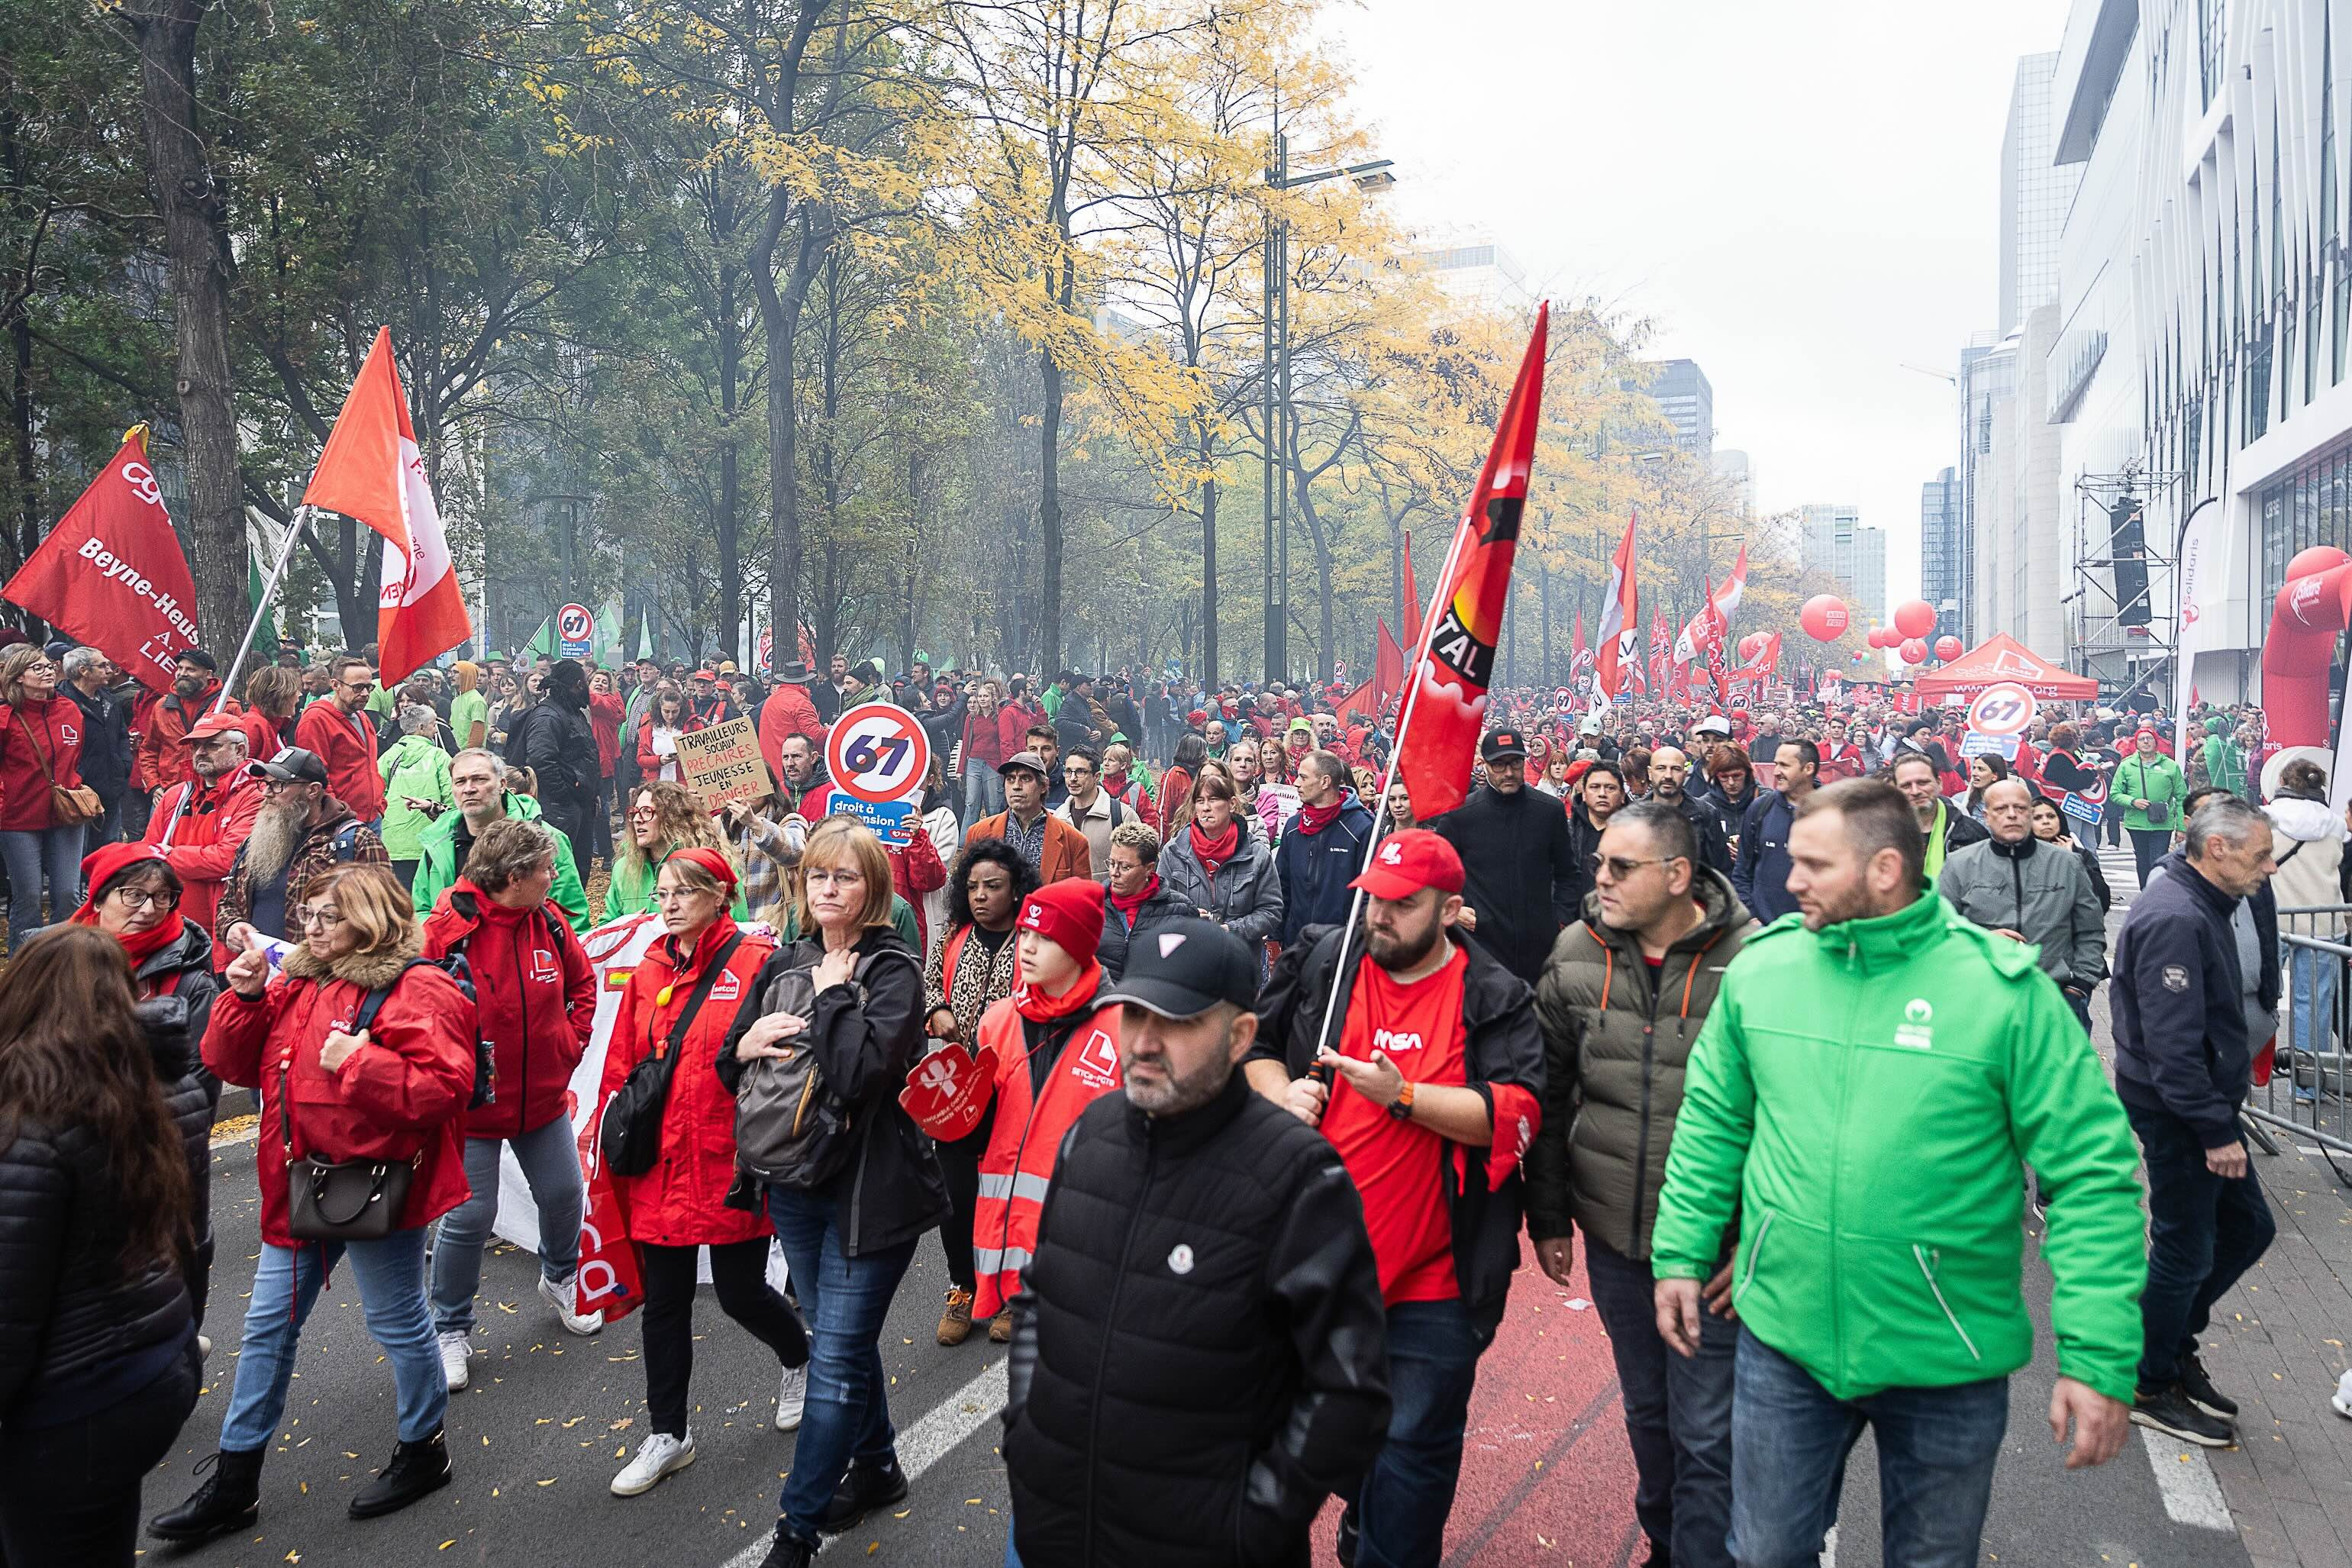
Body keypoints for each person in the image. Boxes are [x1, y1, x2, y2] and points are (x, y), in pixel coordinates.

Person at [1650, 779, 2144, 1566]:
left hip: (1945, 1355)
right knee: (1765, 1553)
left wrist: (2097, 1354)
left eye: (1814, 863)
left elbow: (2093, 1177)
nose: (1790, 880)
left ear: (1885, 868)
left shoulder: (2004, 993)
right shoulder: (1761, 972)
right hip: (1785, 1340)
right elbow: (1713, 1124)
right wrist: (1680, 1251)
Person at [1001, 917, 1392, 1568]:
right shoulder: (1090, 1133)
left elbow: (1349, 1391)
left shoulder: (1298, 1178)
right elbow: (1040, 1298)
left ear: (1240, 1037)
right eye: (1131, 1017)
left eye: (1176, 1023)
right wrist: (1026, 1434)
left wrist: (1250, 1524)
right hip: (1054, 1528)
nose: (1144, 1044)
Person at [152, 863, 477, 1543]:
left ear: (372, 918)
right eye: (309, 914)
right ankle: (235, 1482)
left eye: (331, 916)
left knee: (398, 1323)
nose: (311, 927)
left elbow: (445, 1089)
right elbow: (233, 1066)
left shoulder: (419, 986)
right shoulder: (298, 979)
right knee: (267, 1331)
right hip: (296, 1185)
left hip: (375, 1187)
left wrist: (358, 1062)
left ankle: (424, 1449)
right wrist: (240, 999)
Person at [1248, 828, 1544, 1568]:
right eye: (1373, 898)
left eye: (1402, 904)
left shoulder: (1494, 994)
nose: (1380, 915)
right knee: (1306, 1448)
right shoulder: (1329, 960)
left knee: (1410, 1458)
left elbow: (1516, 1110)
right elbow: (1250, 1048)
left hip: (1433, 1285)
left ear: (1449, 910)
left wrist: (1403, 1095)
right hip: (1311, 1271)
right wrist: (1282, 1091)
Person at [1530, 800, 1754, 1568]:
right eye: (1598, 862)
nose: (1601, 879)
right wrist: (1550, 1215)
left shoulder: (1753, 960)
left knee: (1708, 1428)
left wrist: (1755, 1238)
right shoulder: (1575, 948)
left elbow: (1791, 1117)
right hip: (1617, 1238)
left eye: (1620, 866)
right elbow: (1551, 1090)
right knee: (1650, 1413)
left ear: (1678, 873)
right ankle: (1665, 1538)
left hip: (1720, 1250)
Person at [722, 821, 947, 1566]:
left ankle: (796, 1529)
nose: (828, 888)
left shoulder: (893, 969)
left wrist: (831, 998)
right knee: (842, 1348)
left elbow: (857, 1077)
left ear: (873, 886)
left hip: (871, 1194)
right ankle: (878, 1464)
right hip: (794, 1185)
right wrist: (747, 1044)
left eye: (846, 877)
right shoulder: (788, 956)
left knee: (837, 1357)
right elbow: (732, 1063)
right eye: (819, 875)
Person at [597, 847, 809, 1497]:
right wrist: (613, 1135)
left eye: (684, 892)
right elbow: (628, 1064)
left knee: (743, 1292)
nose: (668, 903)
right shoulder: (648, 967)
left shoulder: (756, 962)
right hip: (661, 1165)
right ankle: (668, 1433)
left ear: (721, 895)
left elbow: (782, 1061)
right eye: (661, 892)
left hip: (728, 1159)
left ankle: (800, 1357)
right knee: (664, 1303)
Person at [0, 924, 209, 1566]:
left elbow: (10, 1308)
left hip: (69, 1397)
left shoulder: (29, 1125)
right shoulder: (170, 1089)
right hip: (153, 1361)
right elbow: (190, 1238)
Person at [2109, 794, 2280, 1447]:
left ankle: (2171, 1342)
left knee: (2247, 1230)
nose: (2269, 868)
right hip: (2179, 1110)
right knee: (2186, 1248)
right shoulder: (2175, 915)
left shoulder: (2204, 903)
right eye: (2259, 855)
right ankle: (2145, 1380)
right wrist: (2213, 1130)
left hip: (2198, 1105)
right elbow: (2171, 1047)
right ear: (2218, 850)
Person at [421, 818, 602, 1392]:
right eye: (546, 869)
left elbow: (583, 985)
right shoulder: (448, 929)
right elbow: (416, 1006)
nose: (555, 877)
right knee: (470, 1216)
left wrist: (567, 1046)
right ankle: (449, 1327)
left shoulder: (547, 919)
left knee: (563, 1194)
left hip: (541, 1099)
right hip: (473, 1107)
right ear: (514, 877)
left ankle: (561, 1278)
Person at [952, 880, 1121, 1345]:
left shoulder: (1122, 1028)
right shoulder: (998, 1019)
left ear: (1079, 947)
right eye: (1026, 932)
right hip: (1007, 1237)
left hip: (1082, 1244)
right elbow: (981, 1133)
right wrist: (953, 1124)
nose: (1027, 946)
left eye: (1045, 938)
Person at [922, 839, 1037, 1345]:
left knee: (1011, 1195)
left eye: (993, 886)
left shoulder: (1034, 939)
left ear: (1015, 891)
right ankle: (961, 1288)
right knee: (957, 1196)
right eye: (972, 887)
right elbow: (928, 985)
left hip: (1017, 1090)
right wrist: (937, 1010)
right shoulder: (953, 935)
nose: (981, 895)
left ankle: (1012, 1295)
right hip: (957, 1088)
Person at [1939, 776, 2108, 1031]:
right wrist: (1983, 940)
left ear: (2030, 814)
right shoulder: (1960, 864)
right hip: (1984, 997)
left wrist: (2079, 985)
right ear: (1986, 816)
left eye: (2020, 808)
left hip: (2055, 996)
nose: (2012, 815)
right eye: (2001, 809)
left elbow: (2090, 929)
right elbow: (1941, 930)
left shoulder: (2067, 864)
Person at [1427, 728, 1581, 986]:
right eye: (1499, 764)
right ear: (1484, 765)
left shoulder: (1549, 811)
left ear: (1524, 761)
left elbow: (1569, 874)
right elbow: (1434, 875)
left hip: (1540, 949)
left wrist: (1560, 920)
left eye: (1515, 763)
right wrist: (1453, 910)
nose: (1508, 772)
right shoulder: (1461, 817)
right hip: (1483, 949)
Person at [216, 747, 392, 950]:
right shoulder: (255, 841)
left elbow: (383, 916)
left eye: (278, 785)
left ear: (312, 790)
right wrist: (231, 925)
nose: (267, 793)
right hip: (260, 974)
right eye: (265, 784)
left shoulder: (356, 841)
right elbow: (228, 902)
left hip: (325, 976)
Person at [409, 747, 591, 933]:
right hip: (451, 955)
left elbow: (572, 920)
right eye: (460, 782)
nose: (469, 789)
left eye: (480, 779)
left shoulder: (546, 839)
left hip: (524, 956)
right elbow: (420, 910)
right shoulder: (438, 841)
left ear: (502, 785)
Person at [0, 642, 95, 950]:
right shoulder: (6, 717)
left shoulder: (69, 709)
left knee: (68, 893)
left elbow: (75, 757)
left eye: (48, 666)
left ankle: (62, 964)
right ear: (17, 678)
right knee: (27, 895)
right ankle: (24, 970)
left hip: (66, 815)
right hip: (18, 818)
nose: (47, 672)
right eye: (37, 668)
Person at [143, 711, 264, 937]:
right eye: (196, 746)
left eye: (212, 745)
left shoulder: (256, 794)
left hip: (222, 931)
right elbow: (147, 853)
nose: (200, 752)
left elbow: (230, 859)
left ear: (240, 750)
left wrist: (169, 857)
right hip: (168, 923)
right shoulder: (176, 795)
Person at [2263, 757, 2344, 1074]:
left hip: (2275, 919)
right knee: (2315, 1005)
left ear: (2281, 780)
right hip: (2325, 920)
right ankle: (2309, 1081)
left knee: (2260, 998)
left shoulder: (2264, 819)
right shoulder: (2335, 823)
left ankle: (2253, 1072)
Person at [1157, 764, 1283, 965]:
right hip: (1187, 965)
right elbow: (1158, 907)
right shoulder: (1174, 852)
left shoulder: (1255, 853)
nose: (1206, 807)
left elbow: (1271, 911)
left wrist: (1232, 930)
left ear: (1231, 804)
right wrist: (1186, 918)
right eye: (1200, 801)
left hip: (1238, 965)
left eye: (1213, 799)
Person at [1276, 747, 1378, 947]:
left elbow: (1370, 894)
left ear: (1325, 782)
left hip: (1340, 948)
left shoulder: (1361, 827)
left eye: (1303, 777)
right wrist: (1277, 936)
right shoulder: (1293, 827)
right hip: (1296, 945)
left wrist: (1356, 940)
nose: (1296, 783)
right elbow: (1282, 887)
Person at [607, 779, 731, 920]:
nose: (637, 819)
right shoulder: (623, 868)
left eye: (647, 811)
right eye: (634, 812)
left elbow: (737, 929)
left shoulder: (712, 866)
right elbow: (604, 930)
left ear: (673, 817)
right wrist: (625, 927)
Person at [521, 659, 602, 866]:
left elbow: (585, 756)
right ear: (577, 685)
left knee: (579, 868)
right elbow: (541, 762)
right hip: (560, 810)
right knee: (561, 870)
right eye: (585, 683)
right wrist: (565, 800)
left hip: (579, 804)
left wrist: (591, 794)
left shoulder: (572, 712)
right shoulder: (548, 716)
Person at [968, 751, 1092, 883]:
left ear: (1043, 786)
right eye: (1010, 779)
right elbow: (967, 890)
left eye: (1025, 779)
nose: (1016, 786)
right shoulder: (978, 833)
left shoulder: (1073, 841)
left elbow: (1081, 898)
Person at [1731, 740, 1818, 923]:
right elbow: (1742, 870)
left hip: (1816, 929)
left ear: (1808, 768)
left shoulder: (1834, 813)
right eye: (1776, 764)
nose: (1776, 771)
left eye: (1785, 765)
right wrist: (1751, 915)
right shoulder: (1760, 809)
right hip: (1765, 928)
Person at [293, 656, 386, 826]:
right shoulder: (316, 720)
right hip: (339, 822)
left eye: (368, 687)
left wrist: (379, 804)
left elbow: (369, 764)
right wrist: (335, 814)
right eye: (358, 688)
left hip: (371, 817)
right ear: (335, 685)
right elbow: (315, 775)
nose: (365, 694)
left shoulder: (362, 716)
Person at [1096, 818, 1191, 979]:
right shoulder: (1093, 905)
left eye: (1125, 867)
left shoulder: (1180, 911)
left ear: (1149, 869)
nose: (1114, 873)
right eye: (1111, 863)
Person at [62, 645, 134, 853]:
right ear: (84, 671)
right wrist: (78, 776)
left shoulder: (108, 699)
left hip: (112, 786)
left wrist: (124, 764)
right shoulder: (62, 702)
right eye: (102, 666)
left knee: (109, 847)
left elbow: (121, 734)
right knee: (79, 851)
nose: (109, 670)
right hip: (79, 791)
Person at [133, 648, 227, 802]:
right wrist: (153, 785)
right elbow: (149, 749)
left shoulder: (226, 707)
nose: (183, 673)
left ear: (208, 675)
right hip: (168, 792)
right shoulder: (162, 706)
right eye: (180, 668)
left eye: (191, 669)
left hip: (212, 793)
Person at [378, 702, 455, 890]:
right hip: (431, 841)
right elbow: (452, 798)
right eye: (434, 724)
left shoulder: (389, 756)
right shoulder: (439, 757)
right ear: (421, 728)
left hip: (393, 841)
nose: (436, 730)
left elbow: (377, 791)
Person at [1889, 750, 1989, 882]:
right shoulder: (1883, 836)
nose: (1915, 791)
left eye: (1923, 783)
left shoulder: (1970, 834)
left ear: (1939, 783)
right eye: (1906, 785)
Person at [2116, 724, 2189, 886]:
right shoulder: (2126, 766)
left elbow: (2182, 797)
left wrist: (2182, 827)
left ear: (2156, 742)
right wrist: (2132, 801)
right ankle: (2145, 894)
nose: (2146, 742)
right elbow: (2115, 793)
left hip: (2162, 823)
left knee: (2158, 861)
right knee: (2142, 861)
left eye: (2150, 738)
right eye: (2142, 739)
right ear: (2136, 743)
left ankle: (2156, 894)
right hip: (2136, 823)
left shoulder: (2171, 766)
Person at [1644, 744, 1732, 879]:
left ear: (1685, 774)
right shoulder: (1633, 815)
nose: (1668, 775)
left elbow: (1721, 870)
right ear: (1650, 773)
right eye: (1661, 768)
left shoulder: (1706, 814)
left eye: (1676, 769)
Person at [1053, 745, 1128, 881]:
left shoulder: (1121, 815)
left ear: (1096, 776)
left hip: (1106, 900)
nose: (1073, 778)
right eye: (1069, 771)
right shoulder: (1058, 818)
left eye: (1081, 772)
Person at [2030, 795, 2112, 914]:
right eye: (2037, 818)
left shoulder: (2080, 855)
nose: (2046, 822)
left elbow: (2102, 900)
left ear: (2060, 820)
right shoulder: (2019, 854)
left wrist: (2072, 860)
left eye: (2051, 816)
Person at [637, 684, 698, 784]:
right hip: (657, 784)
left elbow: (703, 755)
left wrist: (685, 757)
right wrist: (659, 760)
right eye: (666, 711)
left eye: (675, 712)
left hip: (685, 785)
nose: (670, 716)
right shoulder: (649, 727)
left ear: (681, 710)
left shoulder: (694, 725)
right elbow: (640, 759)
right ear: (659, 709)